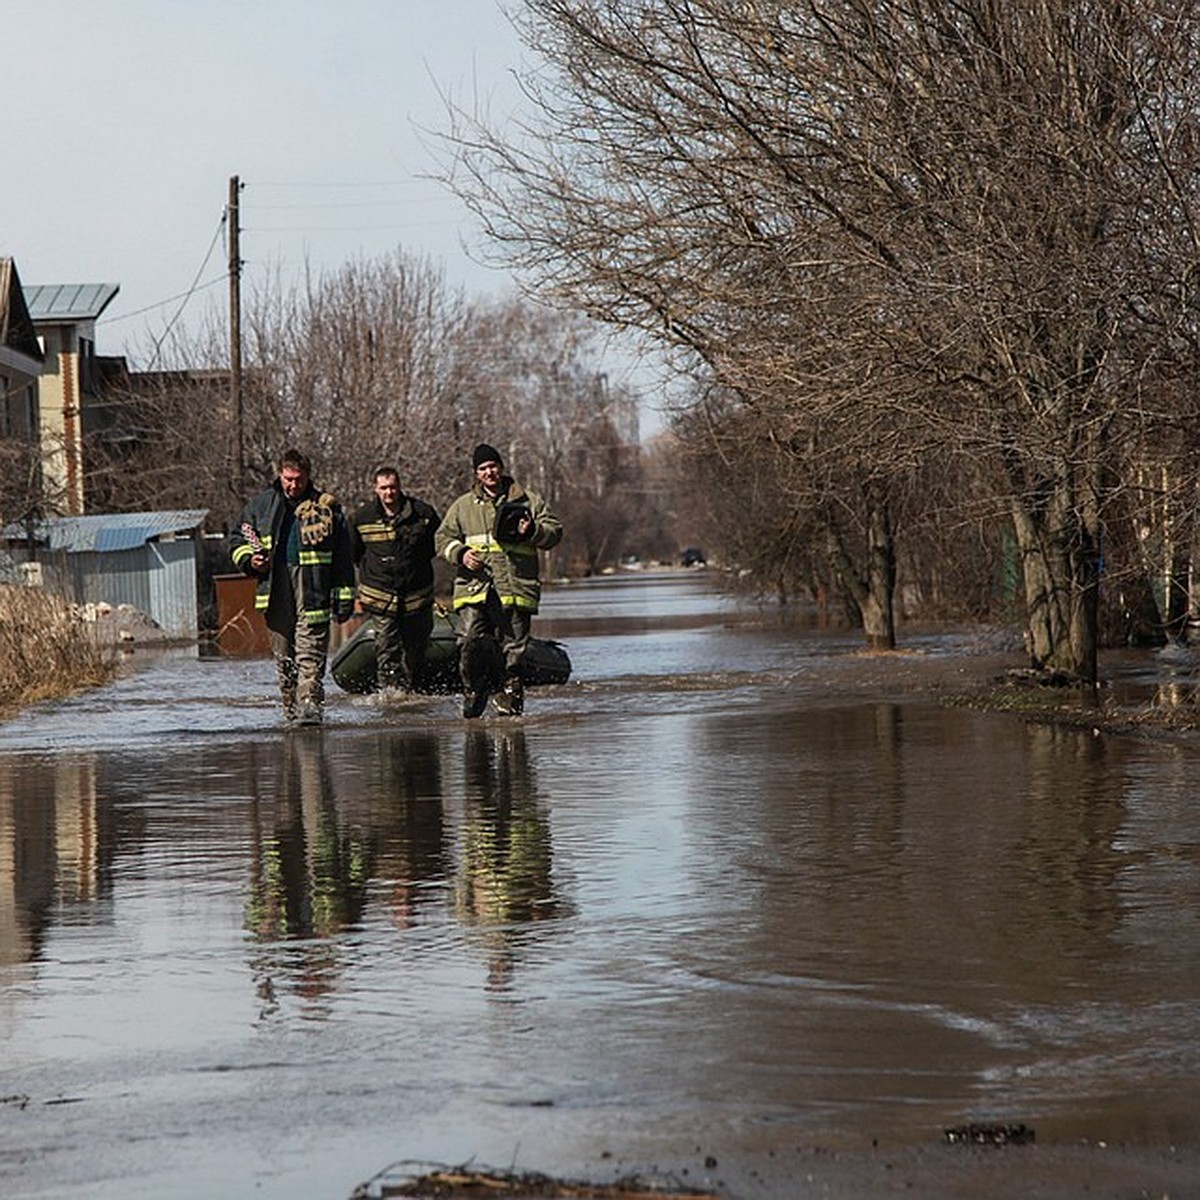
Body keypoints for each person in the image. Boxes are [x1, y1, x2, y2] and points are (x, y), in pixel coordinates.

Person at [436, 442, 563, 717]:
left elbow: (555, 532)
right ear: (476, 474)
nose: (488, 472)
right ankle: (473, 691)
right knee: (469, 641)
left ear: (501, 468)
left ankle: (510, 706)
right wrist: (461, 554)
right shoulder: (463, 506)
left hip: (516, 587)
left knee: (513, 651)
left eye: (492, 466)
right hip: (475, 587)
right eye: (482, 468)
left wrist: (533, 531)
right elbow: (441, 539)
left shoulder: (528, 500)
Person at [230, 449, 356, 726]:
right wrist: (252, 561)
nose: (293, 485)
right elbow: (236, 540)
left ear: (308, 477)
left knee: (310, 649)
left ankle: (310, 706)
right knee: (284, 656)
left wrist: (344, 598)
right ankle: (290, 711)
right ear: (280, 475)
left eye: (298, 479)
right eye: (288, 479)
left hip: (314, 588)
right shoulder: (260, 507)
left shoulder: (326, 508)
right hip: (275, 587)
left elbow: (344, 558)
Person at [348, 465, 440, 693]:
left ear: (400, 487)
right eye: (384, 488)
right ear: (375, 489)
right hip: (380, 594)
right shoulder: (362, 517)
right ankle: (390, 694)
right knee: (386, 647)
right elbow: (354, 552)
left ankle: (414, 691)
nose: (389, 492)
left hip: (417, 595)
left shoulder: (423, 513)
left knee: (417, 647)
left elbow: (434, 547)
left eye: (393, 487)